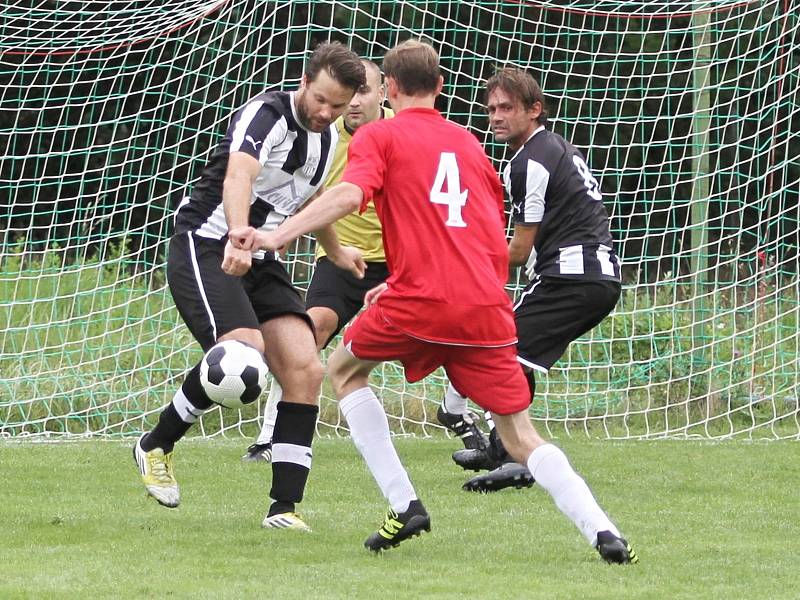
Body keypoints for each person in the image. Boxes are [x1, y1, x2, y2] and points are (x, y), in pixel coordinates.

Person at [230, 40, 637, 564]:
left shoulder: (379, 134)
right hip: (485, 303)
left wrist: (277, 234)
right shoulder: (471, 145)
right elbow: (492, 236)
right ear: (441, 88)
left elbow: (349, 196)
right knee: (519, 433)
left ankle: (405, 504)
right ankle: (604, 532)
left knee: (344, 371)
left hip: (422, 299)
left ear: (390, 89)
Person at [132, 42, 366, 532]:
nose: (326, 112)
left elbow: (313, 200)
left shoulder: (329, 140)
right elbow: (240, 173)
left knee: (306, 369)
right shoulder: (267, 114)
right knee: (243, 355)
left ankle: (283, 509)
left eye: (338, 106)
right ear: (304, 83)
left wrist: (339, 251)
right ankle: (156, 443)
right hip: (209, 244)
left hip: (262, 258)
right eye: (320, 99)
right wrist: (239, 234)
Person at [242, 59, 488, 462]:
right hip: (342, 261)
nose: (353, 103)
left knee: (462, 336)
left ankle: (470, 422)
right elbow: (303, 188)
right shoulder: (323, 135)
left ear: (385, 92)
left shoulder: (403, 133)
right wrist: (281, 227)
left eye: (364, 92)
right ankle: (271, 437)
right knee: (310, 331)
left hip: (403, 263)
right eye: (348, 95)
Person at [443, 67, 625, 493]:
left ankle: (511, 456)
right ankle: (500, 446)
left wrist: (458, 262)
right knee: (510, 353)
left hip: (571, 278)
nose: (496, 116)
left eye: (507, 107)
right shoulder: (552, 148)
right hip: (590, 277)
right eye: (491, 108)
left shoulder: (529, 162)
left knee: (501, 353)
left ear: (534, 110)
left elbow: (519, 250)